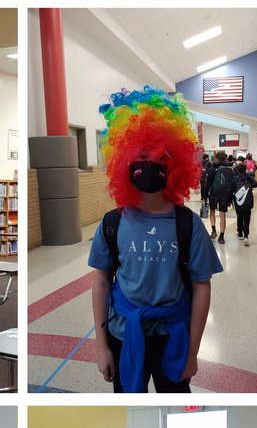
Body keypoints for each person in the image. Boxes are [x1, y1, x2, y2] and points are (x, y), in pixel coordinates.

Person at [89, 86, 223, 392]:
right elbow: (101, 282)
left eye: (159, 156)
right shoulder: (112, 223)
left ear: (174, 164)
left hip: (173, 336)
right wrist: (102, 346)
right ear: (123, 161)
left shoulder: (188, 224)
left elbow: (202, 285)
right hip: (124, 333)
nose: (149, 164)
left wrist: (192, 351)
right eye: (141, 155)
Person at [208, 149, 235, 244]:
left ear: (216, 158)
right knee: (222, 215)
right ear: (225, 158)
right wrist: (230, 198)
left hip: (214, 194)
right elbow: (232, 184)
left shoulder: (212, 168)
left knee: (212, 212)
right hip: (224, 195)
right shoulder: (230, 168)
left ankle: (213, 230)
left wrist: (204, 194)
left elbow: (208, 182)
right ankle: (222, 236)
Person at [232, 160, 257, 246]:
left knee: (239, 217)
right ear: (245, 169)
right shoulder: (249, 177)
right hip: (248, 202)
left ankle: (240, 233)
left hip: (238, 202)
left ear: (238, 170)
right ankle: (246, 236)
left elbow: (232, 189)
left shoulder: (235, 178)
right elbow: (256, 184)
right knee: (247, 219)